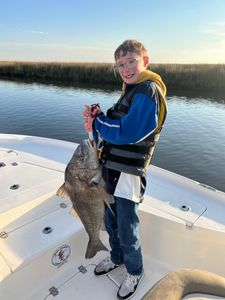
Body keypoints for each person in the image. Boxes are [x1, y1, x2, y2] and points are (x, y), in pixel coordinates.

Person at [83, 39, 167, 300]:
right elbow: (114, 127)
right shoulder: (130, 90)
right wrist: (97, 119)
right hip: (110, 170)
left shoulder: (147, 90)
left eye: (131, 61)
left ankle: (135, 271)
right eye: (120, 64)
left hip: (128, 176)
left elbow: (129, 133)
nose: (126, 68)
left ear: (145, 61)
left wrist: (98, 124)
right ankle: (116, 258)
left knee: (127, 226)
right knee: (110, 221)